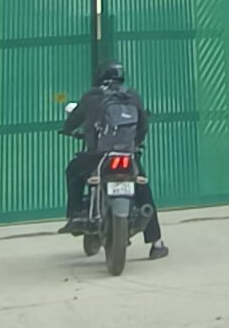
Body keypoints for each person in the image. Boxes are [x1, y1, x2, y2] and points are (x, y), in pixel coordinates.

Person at [59, 62, 168, 257]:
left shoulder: (92, 96)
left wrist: (67, 129)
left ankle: (75, 215)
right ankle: (157, 243)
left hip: (98, 156)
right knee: (143, 189)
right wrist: (134, 145)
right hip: (127, 155)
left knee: (73, 171)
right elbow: (143, 126)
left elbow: (74, 120)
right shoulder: (132, 95)